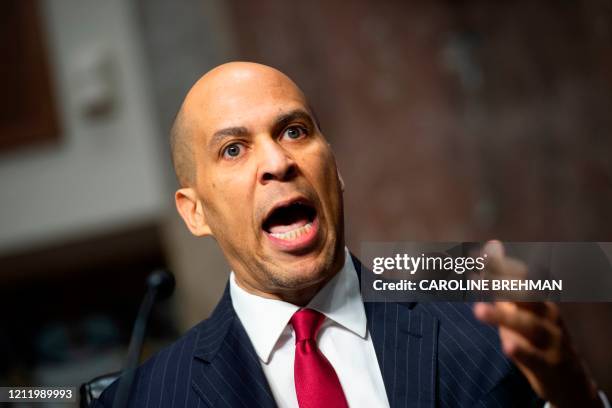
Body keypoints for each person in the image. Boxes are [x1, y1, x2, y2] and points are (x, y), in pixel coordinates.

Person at [94, 62, 607, 407]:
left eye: (294, 131)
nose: (278, 162)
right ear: (195, 212)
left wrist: (575, 393)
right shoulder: (152, 395)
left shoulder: (476, 298)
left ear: (334, 168)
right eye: (233, 149)